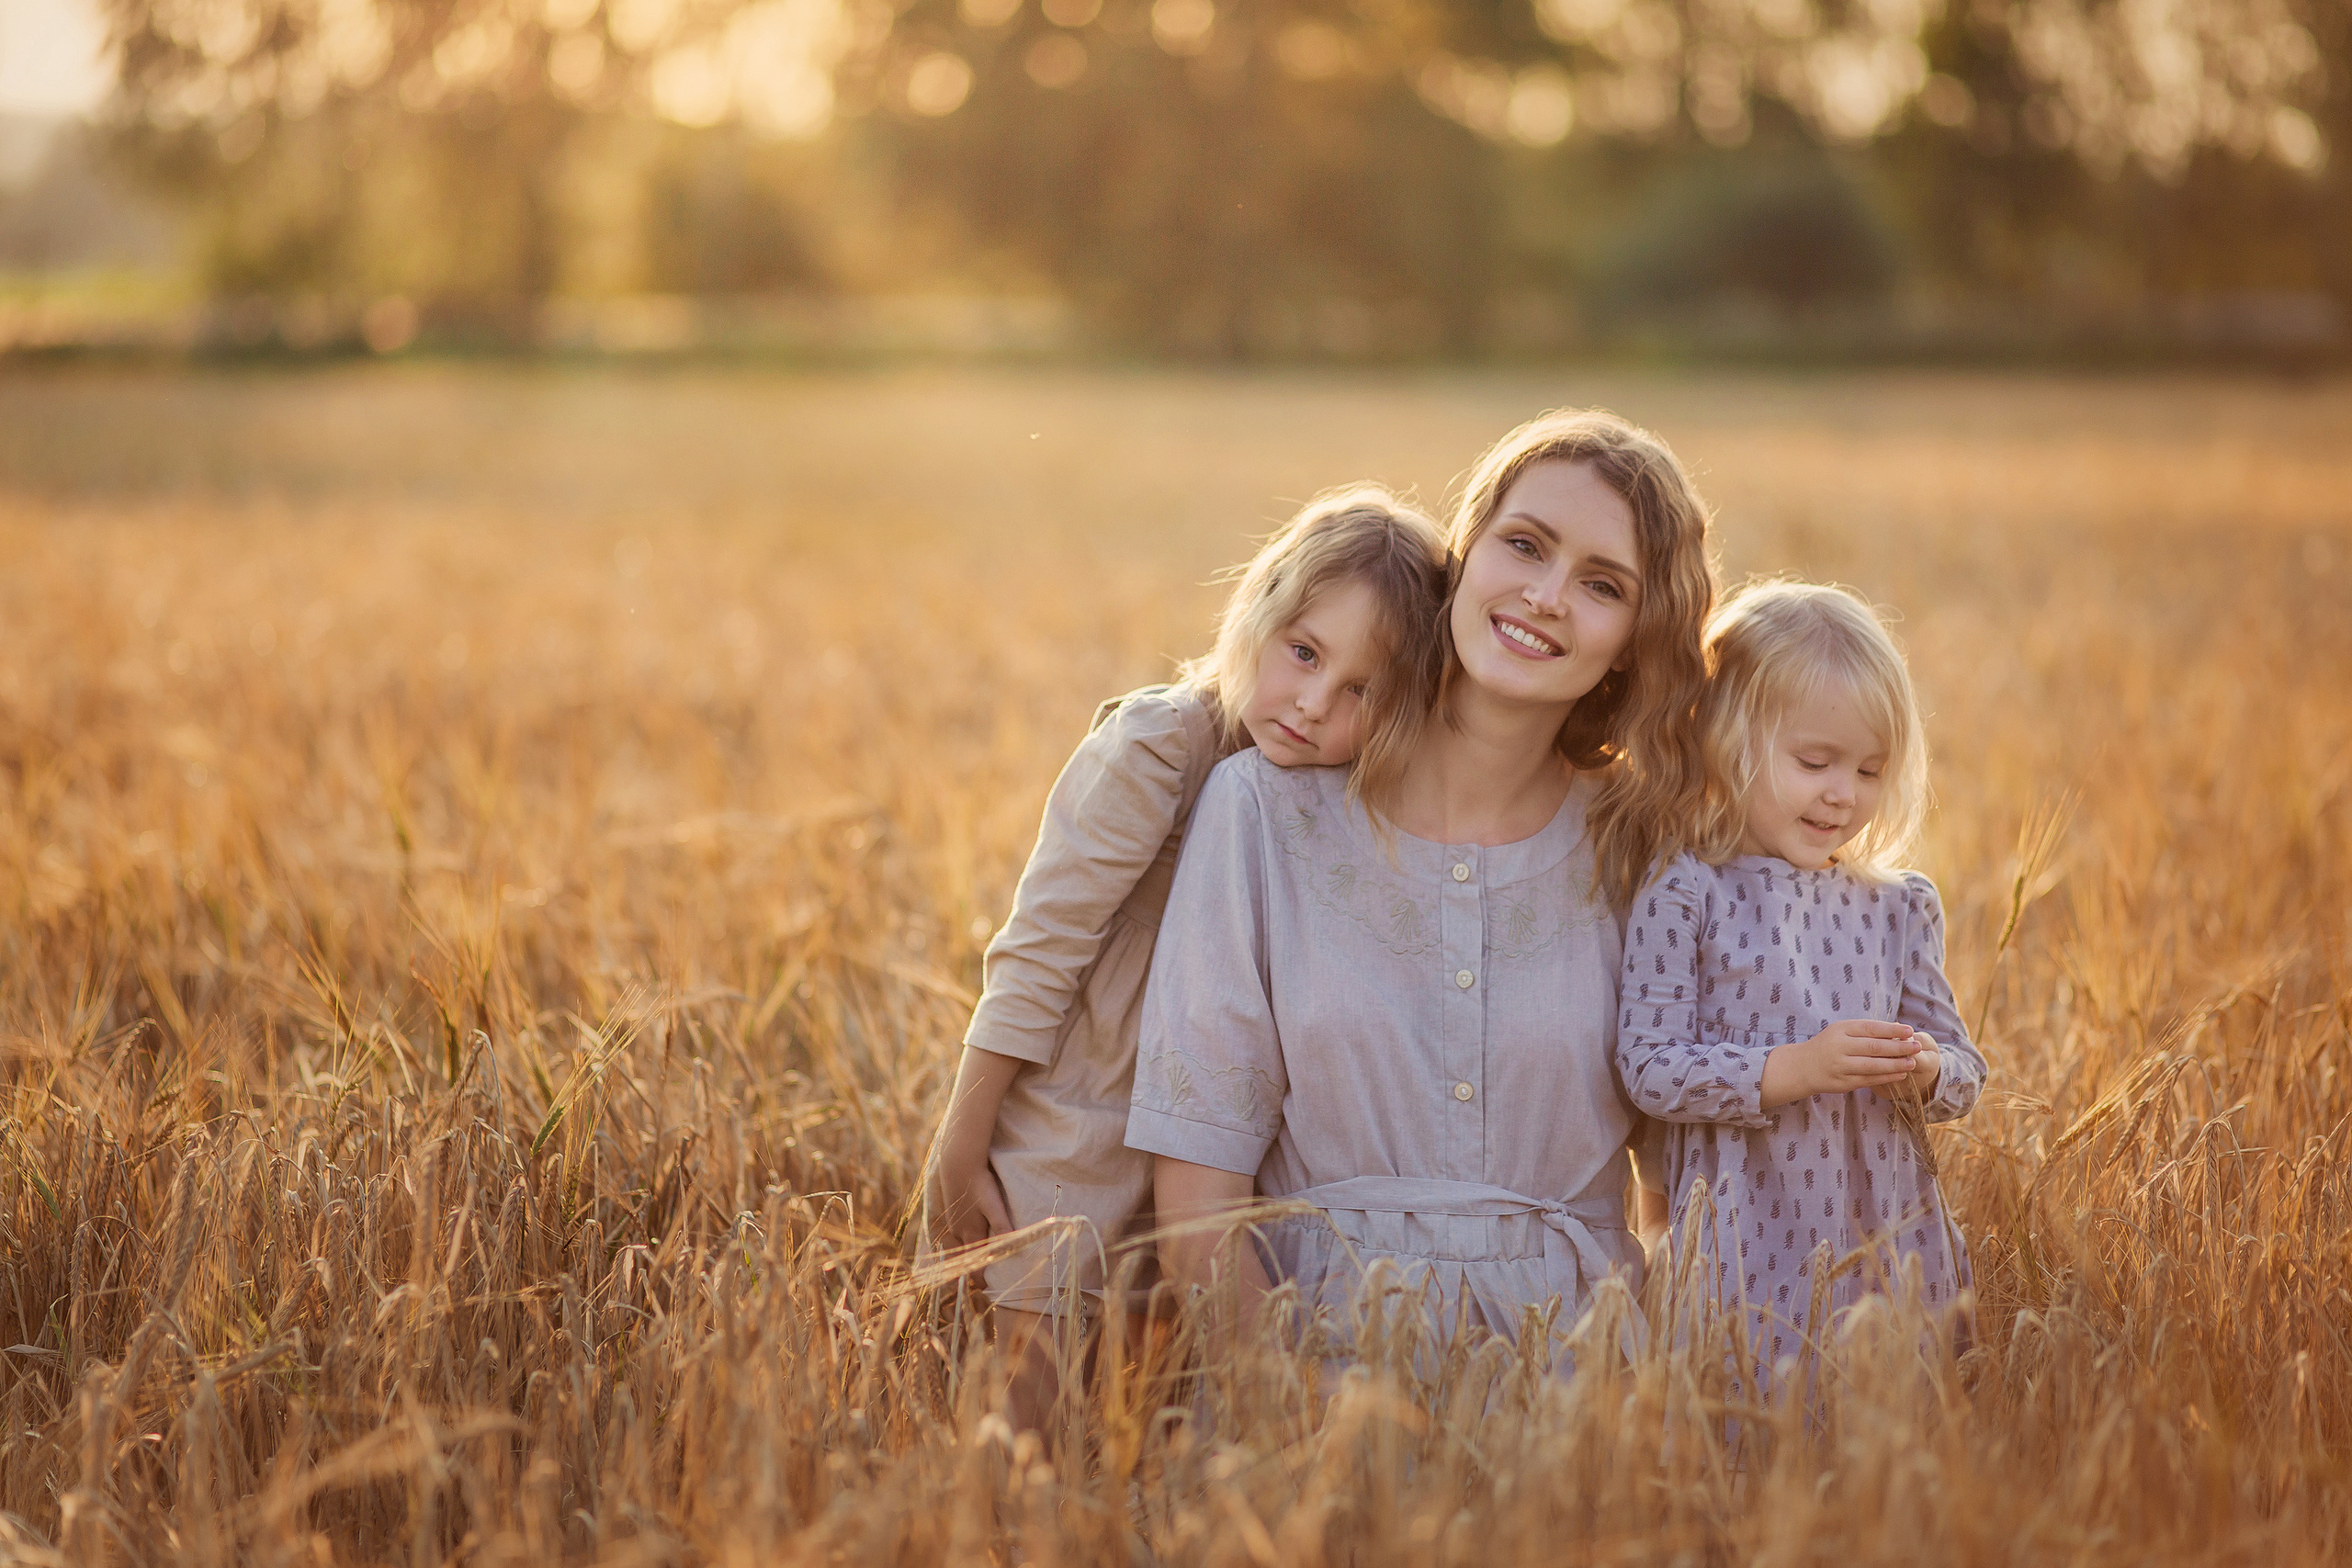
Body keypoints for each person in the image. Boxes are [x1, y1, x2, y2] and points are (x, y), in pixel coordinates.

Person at [1129, 410, 1716, 1359]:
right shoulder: (1265, 812)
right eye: (1523, 545)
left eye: (1601, 585)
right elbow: (1194, 1195)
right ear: (1465, 553)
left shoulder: (1646, 849)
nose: (1546, 595)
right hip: (1302, 1375)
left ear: (1635, 639)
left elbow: (1691, 1188)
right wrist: (1294, 1416)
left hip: (1580, 1396)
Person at [924, 485, 1450, 1429]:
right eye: (1302, 653)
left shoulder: (1325, 795)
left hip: (1207, 1162)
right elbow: (1038, 947)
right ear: (1256, 607)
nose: (1312, 704)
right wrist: (961, 1143)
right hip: (1071, 1141)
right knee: (1027, 1420)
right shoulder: (1163, 744)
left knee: (1136, 1430)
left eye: (1359, 691)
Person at [1614, 579, 1986, 1386]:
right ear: (1726, 740)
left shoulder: (1899, 907)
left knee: (1882, 1446)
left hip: (1888, 1237)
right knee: (1749, 1447)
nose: (1842, 792)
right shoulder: (1686, 891)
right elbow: (1646, 1065)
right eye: (1814, 761)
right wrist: (1796, 1069)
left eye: (1869, 770)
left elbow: (1965, 1073)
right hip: (1744, 1239)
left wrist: (1925, 1068)